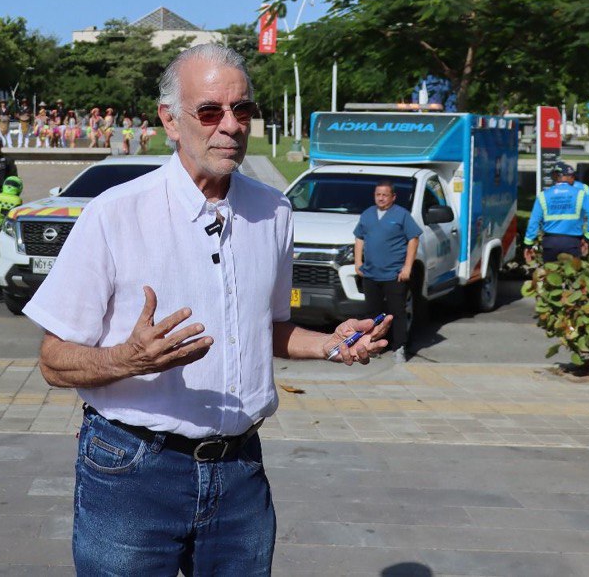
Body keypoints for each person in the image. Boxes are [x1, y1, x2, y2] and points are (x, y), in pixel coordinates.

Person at [25, 44, 390, 575]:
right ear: (170, 121)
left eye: (242, 109)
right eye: (210, 111)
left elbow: (267, 328)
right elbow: (53, 361)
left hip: (240, 474)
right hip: (132, 472)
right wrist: (128, 360)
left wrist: (331, 343)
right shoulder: (114, 214)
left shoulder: (274, 211)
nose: (231, 126)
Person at [353, 180, 422, 362]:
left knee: (396, 313)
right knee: (371, 314)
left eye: (385, 195)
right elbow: (359, 238)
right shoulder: (367, 214)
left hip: (394, 274)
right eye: (378, 194)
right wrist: (358, 262)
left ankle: (399, 347)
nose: (381, 198)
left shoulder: (402, 215)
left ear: (393, 197)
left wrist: (408, 267)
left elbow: (413, 239)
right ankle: (372, 346)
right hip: (371, 274)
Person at [524, 161, 589, 263]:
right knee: (572, 272)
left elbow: (534, 222)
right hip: (573, 242)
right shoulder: (581, 193)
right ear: (568, 177)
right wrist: (588, 238)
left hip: (550, 242)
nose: (574, 179)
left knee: (550, 271)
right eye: (573, 176)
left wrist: (528, 244)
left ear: (555, 177)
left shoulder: (543, 195)